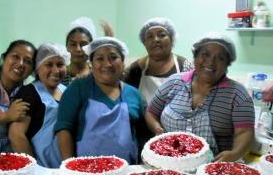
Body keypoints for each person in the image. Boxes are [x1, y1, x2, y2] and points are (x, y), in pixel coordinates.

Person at [145, 33, 255, 162]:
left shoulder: (237, 94)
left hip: (213, 169)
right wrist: (157, 129)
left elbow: (245, 132)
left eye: (220, 58)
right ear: (195, 57)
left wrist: (235, 154)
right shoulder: (174, 82)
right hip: (168, 162)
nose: (211, 62)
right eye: (205, 54)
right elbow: (151, 112)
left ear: (227, 65)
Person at [55, 37, 144, 164]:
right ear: (91, 63)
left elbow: (141, 133)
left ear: (123, 61)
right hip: (85, 172)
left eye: (113, 57)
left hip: (126, 170)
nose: (107, 64)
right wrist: (70, 166)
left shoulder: (133, 94)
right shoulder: (78, 88)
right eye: (99, 58)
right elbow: (64, 129)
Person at [8, 43, 70, 168]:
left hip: (64, 167)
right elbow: (16, 136)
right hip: (41, 169)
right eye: (49, 64)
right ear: (37, 68)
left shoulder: (67, 91)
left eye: (60, 64)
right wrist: (35, 170)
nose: (56, 70)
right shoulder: (28, 93)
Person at [124, 17, 193, 106]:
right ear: (144, 43)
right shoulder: (136, 69)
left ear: (172, 40)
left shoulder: (185, 66)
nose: (156, 39)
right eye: (150, 36)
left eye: (162, 35)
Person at [62, 17, 114, 86]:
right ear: (67, 47)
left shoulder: (98, 74)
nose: (78, 49)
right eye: (73, 44)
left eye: (83, 44)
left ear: (91, 48)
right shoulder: (60, 73)